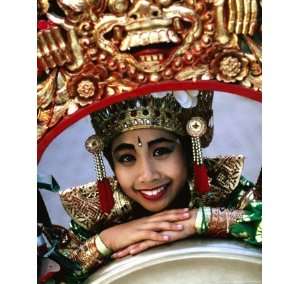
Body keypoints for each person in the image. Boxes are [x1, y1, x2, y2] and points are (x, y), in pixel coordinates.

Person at [43, 90, 262, 283]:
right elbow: (55, 275)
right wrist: (106, 241)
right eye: (127, 158)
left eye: (161, 152)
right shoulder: (97, 217)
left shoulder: (225, 191)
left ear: (187, 151)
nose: (147, 175)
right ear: (111, 163)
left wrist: (201, 221)